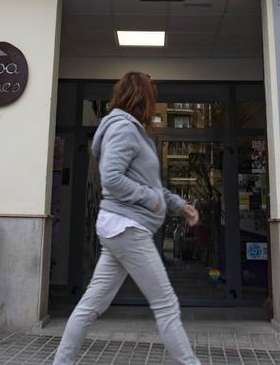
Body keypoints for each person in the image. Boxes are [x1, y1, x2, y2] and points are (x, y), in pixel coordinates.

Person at [53, 72, 201, 365]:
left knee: (92, 303)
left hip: (119, 227)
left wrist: (178, 204)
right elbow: (111, 179)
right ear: (142, 97)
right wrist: (153, 200)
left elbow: (149, 184)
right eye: (152, 95)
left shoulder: (132, 131)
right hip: (128, 227)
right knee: (166, 305)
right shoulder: (124, 129)